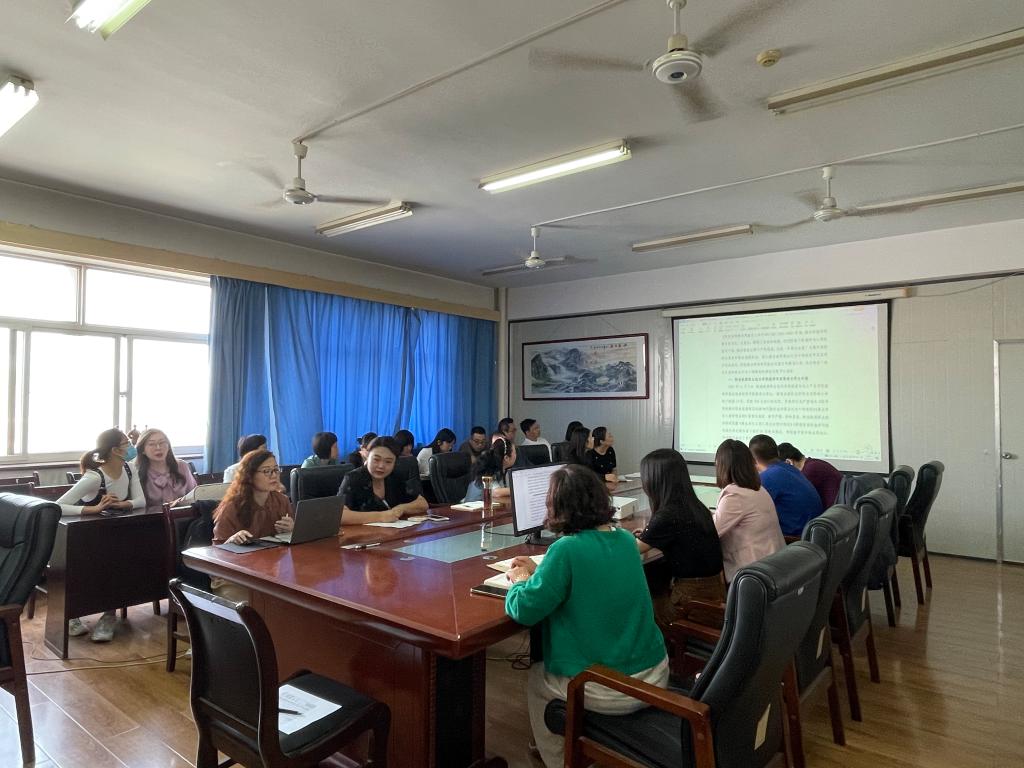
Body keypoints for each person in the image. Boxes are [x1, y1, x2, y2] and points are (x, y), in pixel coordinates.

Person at [504, 465, 669, 767]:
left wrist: (519, 580)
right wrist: (542, 571)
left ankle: (559, 760)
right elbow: (591, 577)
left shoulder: (566, 549)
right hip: (655, 674)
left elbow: (525, 610)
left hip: (612, 689)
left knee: (538, 678)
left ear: (557, 506)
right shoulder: (625, 540)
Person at [57, 428, 146, 642]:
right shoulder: (94, 476)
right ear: (115, 450)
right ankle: (72, 615)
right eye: (127, 444)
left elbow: (141, 500)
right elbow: (58, 506)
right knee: (87, 572)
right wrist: (94, 509)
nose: (131, 447)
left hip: (114, 533)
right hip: (87, 537)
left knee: (118, 567)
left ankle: (108, 616)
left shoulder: (129, 469)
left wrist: (125, 504)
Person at [634, 449, 725, 631]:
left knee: (638, 607)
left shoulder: (668, 515)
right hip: (715, 592)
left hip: (692, 602)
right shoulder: (696, 506)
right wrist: (650, 534)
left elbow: (632, 550)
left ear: (655, 480)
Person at [211, 449, 295, 602]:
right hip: (233, 576)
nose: (274, 475)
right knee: (257, 606)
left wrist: (292, 530)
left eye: (276, 470)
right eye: (266, 471)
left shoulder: (282, 501)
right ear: (249, 475)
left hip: (269, 572)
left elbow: (290, 547)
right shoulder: (232, 507)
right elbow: (216, 553)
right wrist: (231, 541)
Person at [713, 439, 785, 582]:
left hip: (753, 575)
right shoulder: (758, 489)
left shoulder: (734, 495)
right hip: (774, 565)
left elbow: (711, 532)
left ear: (721, 465)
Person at [338, 437, 428, 524]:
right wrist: (381, 516)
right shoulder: (353, 478)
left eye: (388, 462)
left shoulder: (395, 478)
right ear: (367, 457)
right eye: (376, 459)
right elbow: (340, 515)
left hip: (391, 532)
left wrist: (401, 508)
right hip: (360, 533)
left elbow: (422, 503)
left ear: (395, 463)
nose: (381, 466)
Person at [749, 434, 824, 536]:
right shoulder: (790, 469)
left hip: (795, 538)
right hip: (812, 534)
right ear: (777, 452)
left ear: (753, 460)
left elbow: (751, 510)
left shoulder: (768, 476)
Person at [132, 428, 197, 507]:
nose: (158, 447)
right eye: (152, 444)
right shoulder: (136, 472)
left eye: (162, 442)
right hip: (153, 515)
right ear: (142, 450)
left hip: (184, 513)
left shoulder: (182, 466)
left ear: (168, 446)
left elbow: (195, 495)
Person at [778, 442, 844, 510]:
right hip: (836, 510)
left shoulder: (810, 470)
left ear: (789, 462)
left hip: (836, 511)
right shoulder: (812, 464)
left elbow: (796, 499)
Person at [462, 436, 517, 503]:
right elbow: (495, 492)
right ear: (506, 458)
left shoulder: (502, 469)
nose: (516, 455)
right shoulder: (491, 470)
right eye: (515, 453)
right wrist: (518, 489)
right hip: (474, 507)